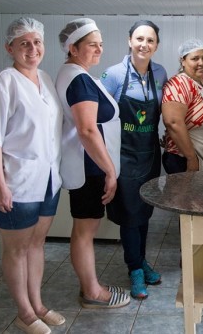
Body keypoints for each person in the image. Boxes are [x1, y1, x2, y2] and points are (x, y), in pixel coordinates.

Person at [0, 17, 65, 334]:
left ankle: (38, 304)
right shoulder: (2, 82)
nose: (32, 48)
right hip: (14, 181)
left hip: (47, 180)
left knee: (36, 245)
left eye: (37, 42)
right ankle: (24, 313)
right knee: (16, 248)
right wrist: (0, 186)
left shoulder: (44, 78)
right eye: (24, 43)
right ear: (9, 48)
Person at [55, 18, 129, 309]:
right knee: (85, 233)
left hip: (88, 166)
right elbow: (86, 129)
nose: (99, 49)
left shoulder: (74, 74)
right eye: (91, 45)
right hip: (91, 169)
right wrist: (110, 170)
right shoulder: (79, 79)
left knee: (82, 231)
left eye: (100, 44)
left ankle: (91, 286)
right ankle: (92, 293)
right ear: (73, 48)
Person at [101, 20, 167, 299]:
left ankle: (141, 261)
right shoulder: (113, 75)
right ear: (129, 40)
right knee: (129, 214)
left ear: (156, 45)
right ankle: (135, 270)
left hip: (150, 153)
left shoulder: (161, 73)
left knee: (144, 212)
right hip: (123, 155)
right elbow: (99, 117)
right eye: (139, 39)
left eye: (150, 40)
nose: (144, 45)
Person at [161, 38, 203, 173]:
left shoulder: (202, 82)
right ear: (183, 61)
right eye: (195, 58)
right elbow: (172, 122)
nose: (201, 63)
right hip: (186, 161)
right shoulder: (179, 83)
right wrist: (191, 158)